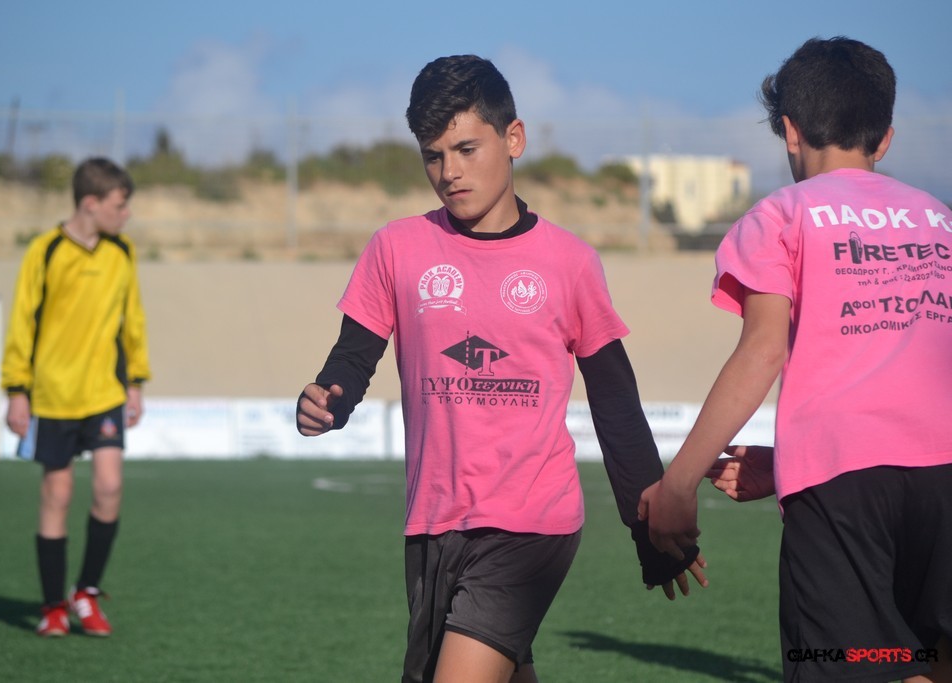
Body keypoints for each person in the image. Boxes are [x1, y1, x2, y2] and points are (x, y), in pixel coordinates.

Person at [296, 54, 706, 683]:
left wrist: (645, 526)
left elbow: (614, 400)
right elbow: (353, 356)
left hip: (532, 523)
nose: (449, 172)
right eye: (433, 156)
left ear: (514, 138)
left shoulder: (569, 261)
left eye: (466, 149)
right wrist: (330, 398)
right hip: (432, 521)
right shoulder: (396, 247)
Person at [639, 37, 952, 682]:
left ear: (789, 130)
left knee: (849, 665)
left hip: (841, 491)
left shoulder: (782, 214)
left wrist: (678, 483)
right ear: (885, 138)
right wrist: (790, 462)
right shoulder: (939, 219)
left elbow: (763, 348)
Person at [2, 157, 151, 638]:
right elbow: (22, 322)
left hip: (104, 393)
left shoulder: (122, 251)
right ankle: (52, 607)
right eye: (119, 205)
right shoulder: (44, 251)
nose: (126, 214)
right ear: (91, 203)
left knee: (109, 487)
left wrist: (136, 381)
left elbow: (133, 318)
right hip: (53, 395)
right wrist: (17, 390)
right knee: (58, 493)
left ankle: (85, 592)